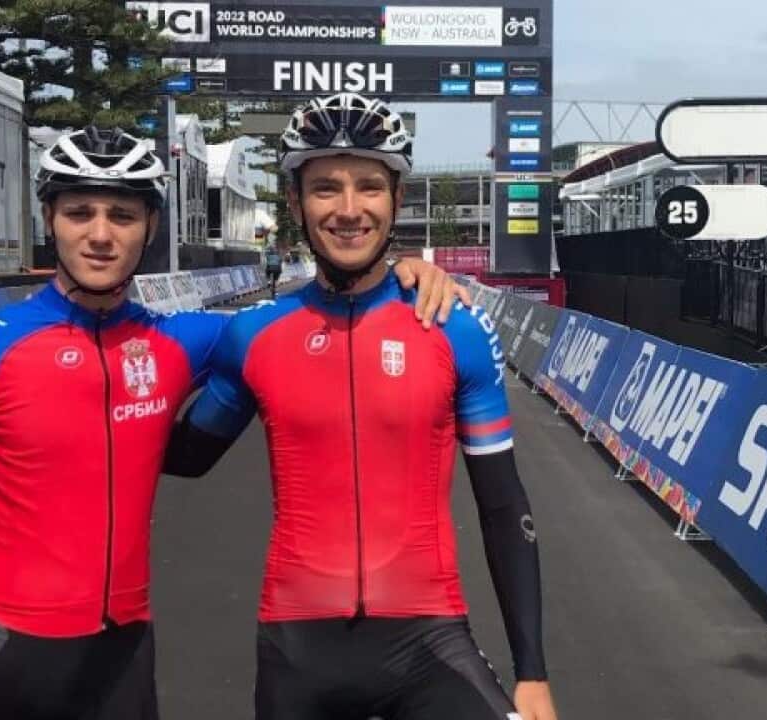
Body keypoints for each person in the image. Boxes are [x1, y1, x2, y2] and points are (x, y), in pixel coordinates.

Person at [0, 125, 468, 720]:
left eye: (121, 216)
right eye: (78, 213)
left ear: (149, 227)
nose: (99, 235)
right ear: (47, 221)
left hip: (121, 659)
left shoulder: (182, 342)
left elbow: (303, 322)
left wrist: (409, 274)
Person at [165, 92, 559, 720]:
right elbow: (181, 457)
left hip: (428, 640)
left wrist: (532, 672)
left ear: (396, 198)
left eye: (369, 186)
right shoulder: (254, 336)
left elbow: (504, 505)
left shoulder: (453, 327)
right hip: (297, 649)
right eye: (325, 188)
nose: (349, 210)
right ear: (295, 204)